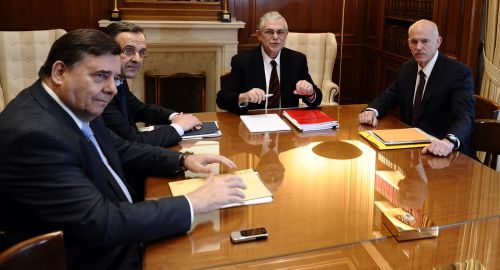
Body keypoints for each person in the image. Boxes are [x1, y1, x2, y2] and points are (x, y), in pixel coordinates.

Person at [0, 29, 246, 270]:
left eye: (114, 78)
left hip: (123, 230)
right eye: (101, 76)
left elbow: (122, 148)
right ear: (60, 71)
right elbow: (102, 223)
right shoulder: (34, 135)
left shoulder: (75, 102)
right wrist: (193, 203)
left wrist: (183, 160)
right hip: (97, 256)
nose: (112, 89)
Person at [359, 19, 475, 157]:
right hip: (411, 151)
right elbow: (388, 96)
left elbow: (465, 117)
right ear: (408, 43)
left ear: (438, 42)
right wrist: (372, 111)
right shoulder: (407, 68)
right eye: (414, 42)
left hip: (445, 153)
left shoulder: (458, 73)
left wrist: (449, 141)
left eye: (425, 41)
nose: (418, 47)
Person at [102, 21, 202, 147]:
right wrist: (179, 127)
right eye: (128, 51)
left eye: (142, 52)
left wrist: (175, 117)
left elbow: (138, 109)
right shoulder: (100, 91)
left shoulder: (119, 79)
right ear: (107, 51)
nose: (137, 59)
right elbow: (133, 141)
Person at [216, 11, 322, 114]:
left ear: (286, 35)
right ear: (259, 35)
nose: (275, 37)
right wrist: (244, 97)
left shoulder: (297, 60)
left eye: (280, 32)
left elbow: (317, 98)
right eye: (269, 32)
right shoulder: (242, 61)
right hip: (254, 122)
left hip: (286, 123)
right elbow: (222, 99)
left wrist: (310, 93)